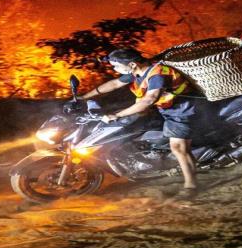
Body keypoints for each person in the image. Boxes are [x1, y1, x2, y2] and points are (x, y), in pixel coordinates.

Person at [79, 48, 198, 198]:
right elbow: (114, 84)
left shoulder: (157, 74)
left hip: (181, 110)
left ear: (132, 64)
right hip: (164, 108)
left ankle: (191, 186)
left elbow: (148, 100)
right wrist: (83, 97)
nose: (115, 69)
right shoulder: (137, 72)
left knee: (178, 148)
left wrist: (116, 115)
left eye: (116, 66)